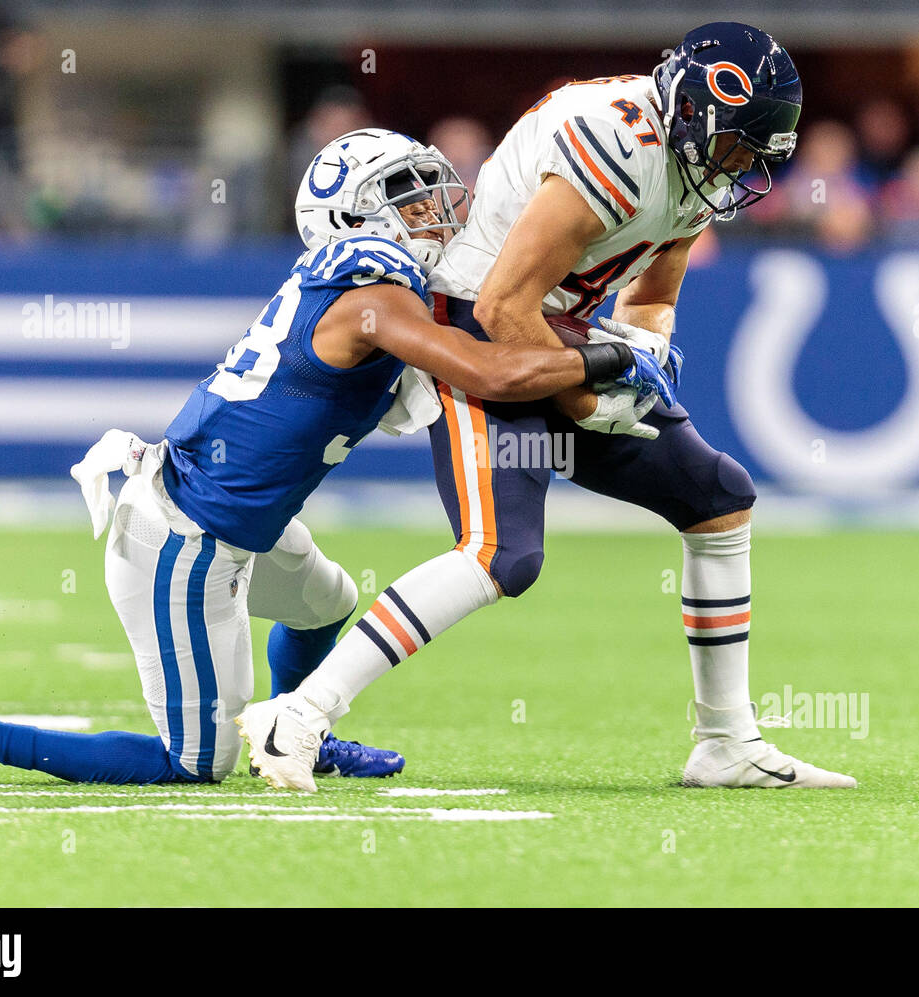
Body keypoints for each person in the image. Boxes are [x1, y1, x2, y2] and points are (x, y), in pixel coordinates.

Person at [0, 130, 672, 787]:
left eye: (431, 186)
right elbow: (490, 370)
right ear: (356, 215)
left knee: (325, 603)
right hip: (183, 541)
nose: (436, 206)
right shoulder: (372, 298)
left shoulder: (367, 287)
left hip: (237, 518)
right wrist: (608, 361)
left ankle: (299, 726)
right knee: (193, 763)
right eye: (409, 192)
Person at [239, 25, 856, 790]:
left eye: (755, 155)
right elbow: (502, 306)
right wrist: (592, 394)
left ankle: (725, 741)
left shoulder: (699, 168)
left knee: (718, 496)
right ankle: (298, 713)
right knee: (502, 553)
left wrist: (643, 351)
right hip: (474, 328)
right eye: (735, 146)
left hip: (558, 333)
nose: (741, 167)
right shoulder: (620, 142)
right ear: (692, 112)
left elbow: (654, 293)